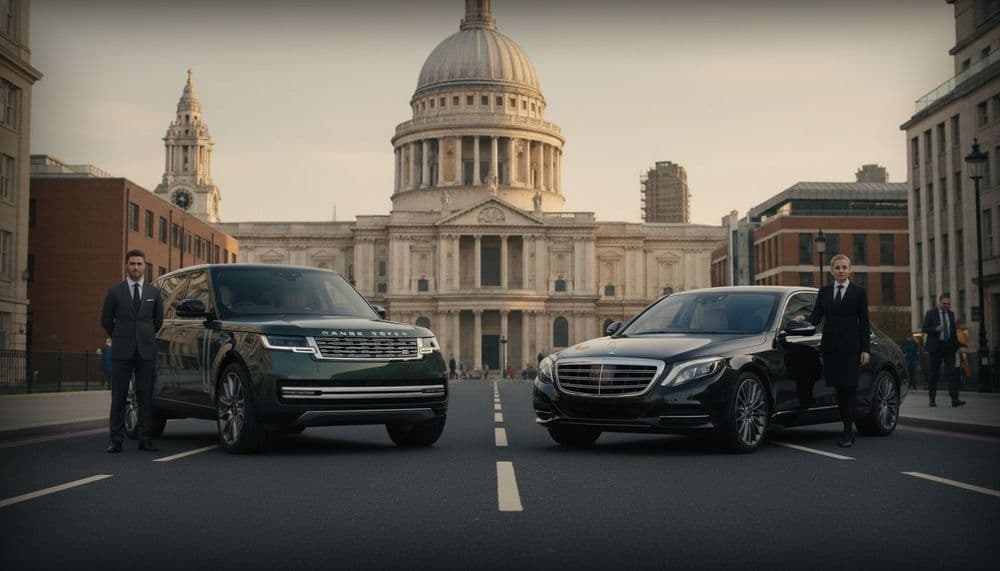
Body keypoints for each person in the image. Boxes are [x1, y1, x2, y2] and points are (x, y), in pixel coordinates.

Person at [795, 254, 870, 448]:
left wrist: (865, 350)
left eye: (845, 267)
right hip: (831, 349)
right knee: (839, 390)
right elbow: (817, 317)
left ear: (850, 270)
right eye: (838, 268)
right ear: (832, 271)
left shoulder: (859, 292)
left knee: (849, 390)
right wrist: (804, 320)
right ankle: (845, 427)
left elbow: (864, 323)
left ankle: (847, 431)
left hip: (851, 350)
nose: (841, 271)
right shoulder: (825, 292)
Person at [100, 250, 164, 453]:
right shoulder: (114, 292)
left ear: (145, 266)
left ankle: (145, 439)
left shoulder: (154, 293)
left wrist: (143, 336)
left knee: (145, 397)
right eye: (132, 264)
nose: (135, 267)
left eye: (139, 264)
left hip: (146, 351)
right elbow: (106, 320)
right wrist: (120, 336)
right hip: (122, 351)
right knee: (119, 397)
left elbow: (158, 321)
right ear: (126, 266)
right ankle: (115, 440)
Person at [921, 294, 964, 408]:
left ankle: (955, 399)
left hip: (949, 347)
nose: (946, 306)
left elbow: (953, 331)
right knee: (934, 374)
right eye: (944, 303)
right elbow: (924, 328)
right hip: (936, 347)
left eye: (948, 304)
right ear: (939, 302)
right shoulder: (931, 313)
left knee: (952, 373)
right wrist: (935, 329)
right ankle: (932, 400)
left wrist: (956, 346)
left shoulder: (951, 314)